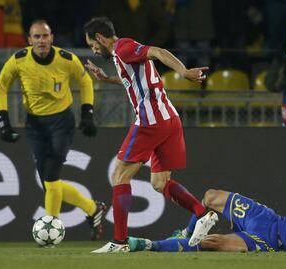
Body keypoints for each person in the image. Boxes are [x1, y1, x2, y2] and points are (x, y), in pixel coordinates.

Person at [83, 16, 218, 253]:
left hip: (150, 122)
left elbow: (158, 51)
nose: (93, 50)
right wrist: (107, 79)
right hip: (170, 120)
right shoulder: (121, 55)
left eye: (92, 44)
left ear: (101, 38)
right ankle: (202, 213)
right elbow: (134, 81)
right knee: (159, 182)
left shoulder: (124, 47)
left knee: (120, 176)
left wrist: (184, 72)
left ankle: (120, 242)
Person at [0, 20, 106, 240]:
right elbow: (0, 88)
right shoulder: (18, 61)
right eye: (36, 37)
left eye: (45, 36)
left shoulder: (66, 59)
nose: (41, 41)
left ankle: (49, 228)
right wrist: (3, 121)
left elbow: (85, 82)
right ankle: (93, 208)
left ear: (51, 38)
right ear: (29, 40)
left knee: (52, 176)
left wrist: (87, 113)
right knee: (49, 181)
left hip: (61, 123)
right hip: (34, 125)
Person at [128, 155, 286, 252]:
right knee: (211, 196)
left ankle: (149, 245)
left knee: (212, 242)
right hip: (267, 219)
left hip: (268, 241)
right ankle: (186, 231)